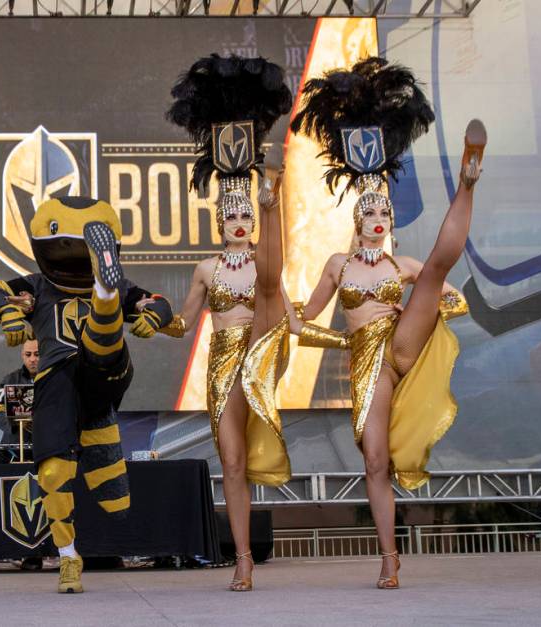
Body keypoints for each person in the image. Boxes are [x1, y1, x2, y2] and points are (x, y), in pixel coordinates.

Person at [290, 57, 482, 589]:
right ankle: (389, 557)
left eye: (385, 215)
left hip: (404, 344)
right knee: (375, 464)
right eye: (371, 214)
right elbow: (304, 320)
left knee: (436, 266)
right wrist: (290, 312)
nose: (379, 220)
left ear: (389, 222)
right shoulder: (338, 265)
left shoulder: (403, 266)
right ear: (358, 220)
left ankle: (468, 180)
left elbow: (451, 294)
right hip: (368, 365)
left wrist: (431, 305)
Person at [0, 195, 174, 593]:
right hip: (56, 384)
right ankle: (68, 558)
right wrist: (10, 312)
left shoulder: (125, 286)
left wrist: (154, 316)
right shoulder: (36, 285)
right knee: (52, 473)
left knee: (100, 347)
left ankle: (104, 298)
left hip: (104, 371)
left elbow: (162, 303)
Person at [166, 54, 294, 592]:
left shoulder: (263, 260)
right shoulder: (206, 268)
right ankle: (241, 556)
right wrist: (153, 320)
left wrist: (268, 204)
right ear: (219, 222)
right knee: (233, 463)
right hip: (222, 360)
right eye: (232, 216)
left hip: (261, 347)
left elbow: (283, 306)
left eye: (246, 216)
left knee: (268, 279)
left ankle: (273, 192)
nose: (237, 223)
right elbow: (184, 323)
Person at [0, 339, 39, 445]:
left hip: (48, 444)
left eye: (37, 354)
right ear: (22, 355)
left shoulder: (54, 380)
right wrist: (16, 424)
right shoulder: (10, 379)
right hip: (15, 442)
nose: (32, 359)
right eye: (28, 354)